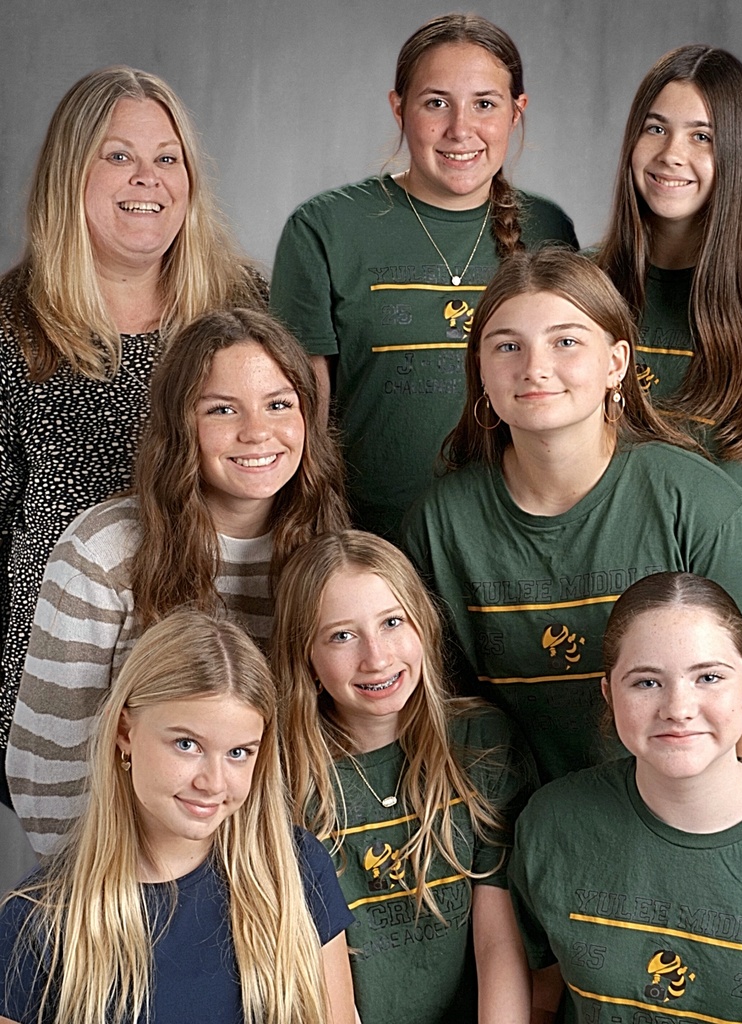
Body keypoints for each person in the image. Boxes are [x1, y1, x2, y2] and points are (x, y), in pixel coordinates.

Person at [401, 248, 742, 784]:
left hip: (692, 822)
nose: (535, 368)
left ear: (616, 363)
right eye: (508, 346)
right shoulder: (438, 525)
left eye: (566, 342)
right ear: (481, 372)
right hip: (523, 834)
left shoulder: (706, 507)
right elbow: (440, 716)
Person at [0, 66, 268, 807]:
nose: (146, 178)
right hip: (68, 687)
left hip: (223, 670)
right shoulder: (12, 328)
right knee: (97, 908)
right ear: (69, 173)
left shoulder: (246, 305)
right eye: (117, 155)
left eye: (166, 157)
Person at [7, 307, 348, 857]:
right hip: (124, 867)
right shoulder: (103, 551)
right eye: (221, 410)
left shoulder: (328, 552)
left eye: (280, 404)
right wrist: (118, 886)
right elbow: (45, 767)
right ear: (179, 423)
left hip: (275, 864)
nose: (257, 432)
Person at [270, 13, 577, 543]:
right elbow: (301, 418)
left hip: (516, 542)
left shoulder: (550, 229)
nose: (461, 129)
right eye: (436, 103)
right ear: (399, 109)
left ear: (516, 112)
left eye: (485, 103)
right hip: (370, 543)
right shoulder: (325, 228)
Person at [0, 609, 356, 1024]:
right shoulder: (38, 920)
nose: (213, 782)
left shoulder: (296, 871)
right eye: (187, 744)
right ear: (125, 733)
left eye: (239, 752)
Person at [508, 572, 742, 1024]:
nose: (678, 707)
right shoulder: (552, 823)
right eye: (647, 682)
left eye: (709, 677)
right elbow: (540, 995)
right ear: (608, 693)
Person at [594, 45, 742, 633]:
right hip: (599, 600)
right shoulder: (586, 283)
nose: (673, 155)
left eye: (703, 137)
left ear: (736, 154)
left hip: (722, 617)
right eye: (656, 128)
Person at [271, 530, 535, 1024]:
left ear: (424, 626)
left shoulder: (481, 743)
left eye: (392, 622)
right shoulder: (286, 776)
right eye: (341, 636)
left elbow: (498, 942)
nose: (377, 657)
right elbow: (315, 972)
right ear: (305, 657)